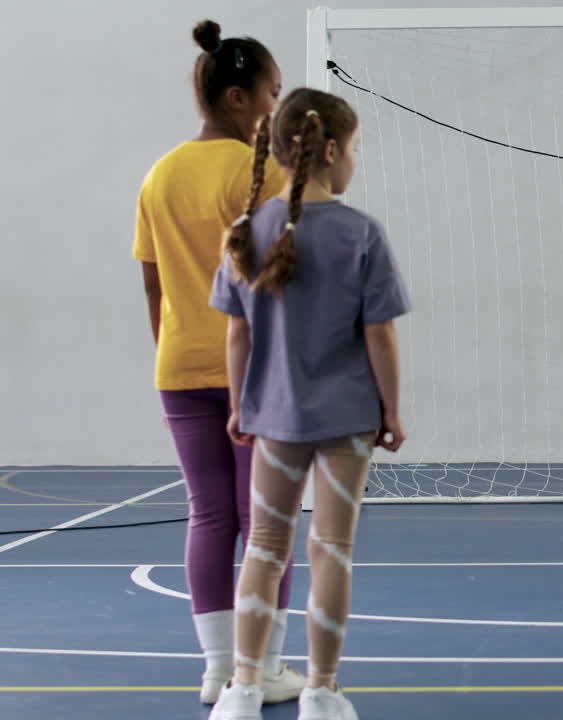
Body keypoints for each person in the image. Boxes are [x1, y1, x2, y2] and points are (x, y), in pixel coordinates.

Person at [207, 87, 411, 720]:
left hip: (274, 419)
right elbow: (380, 333)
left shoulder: (248, 230)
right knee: (331, 551)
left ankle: (242, 688)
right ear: (329, 151)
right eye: (352, 149)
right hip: (346, 422)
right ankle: (320, 691)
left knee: (264, 549)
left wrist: (240, 406)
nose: (354, 160)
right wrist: (391, 409)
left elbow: (236, 331)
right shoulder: (361, 234)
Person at [131, 19, 303, 705]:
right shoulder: (259, 173)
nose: (276, 107)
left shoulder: (160, 174)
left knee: (208, 516)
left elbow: (151, 281)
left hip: (180, 368)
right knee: (266, 521)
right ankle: (260, 669)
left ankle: (215, 669)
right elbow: (284, 279)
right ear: (237, 97)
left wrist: (173, 350)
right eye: (272, 93)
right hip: (255, 369)